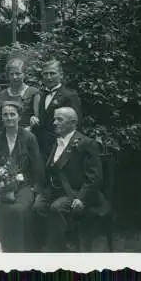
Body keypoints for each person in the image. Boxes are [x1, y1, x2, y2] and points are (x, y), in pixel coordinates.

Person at [32, 107, 104, 252]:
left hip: (75, 192)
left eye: (60, 119)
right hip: (54, 190)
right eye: (54, 119)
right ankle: (41, 247)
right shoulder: (57, 141)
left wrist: (81, 198)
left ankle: (60, 250)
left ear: (73, 123)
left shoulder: (86, 143)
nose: (54, 122)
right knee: (37, 207)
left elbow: (94, 176)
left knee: (56, 209)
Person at [0, 101, 44, 252]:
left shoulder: (29, 138)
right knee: (1, 209)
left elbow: (37, 165)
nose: (9, 118)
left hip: (25, 185)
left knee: (18, 210)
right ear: (1, 118)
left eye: (12, 114)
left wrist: (36, 189)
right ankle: (2, 249)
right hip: (2, 187)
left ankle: (21, 251)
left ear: (19, 117)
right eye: (5, 115)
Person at [31, 60, 82, 160]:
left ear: (61, 75)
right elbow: (41, 117)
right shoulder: (40, 95)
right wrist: (33, 118)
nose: (49, 77)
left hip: (60, 147)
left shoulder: (69, 96)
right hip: (40, 147)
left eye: (52, 73)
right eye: (45, 74)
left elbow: (76, 124)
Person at [0, 58, 40, 129]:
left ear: (24, 74)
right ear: (8, 75)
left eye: (18, 73)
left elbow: (37, 119)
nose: (14, 77)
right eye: (11, 74)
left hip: (27, 133)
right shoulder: (2, 94)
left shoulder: (33, 92)